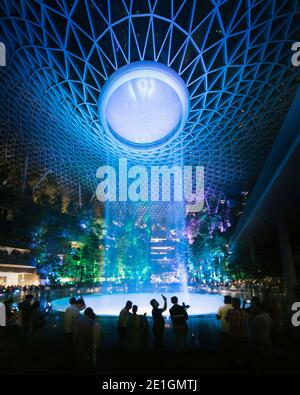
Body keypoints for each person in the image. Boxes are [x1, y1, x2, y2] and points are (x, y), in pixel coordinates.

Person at [74, 307, 100, 374]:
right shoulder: (92, 322)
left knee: (80, 356)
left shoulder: (78, 320)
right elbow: (93, 333)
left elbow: (76, 332)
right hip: (88, 341)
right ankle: (90, 369)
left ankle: (80, 369)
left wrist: (74, 342)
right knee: (88, 356)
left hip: (80, 341)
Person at [226, 297, 248, 368]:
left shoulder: (231, 312)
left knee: (233, 350)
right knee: (241, 350)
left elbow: (227, 320)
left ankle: (234, 366)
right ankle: (241, 364)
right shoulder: (244, 312)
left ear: (234, 303)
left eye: (232, 302)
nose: (231, 303)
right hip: (243, 334)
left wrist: (228, 312)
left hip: (233, 334)